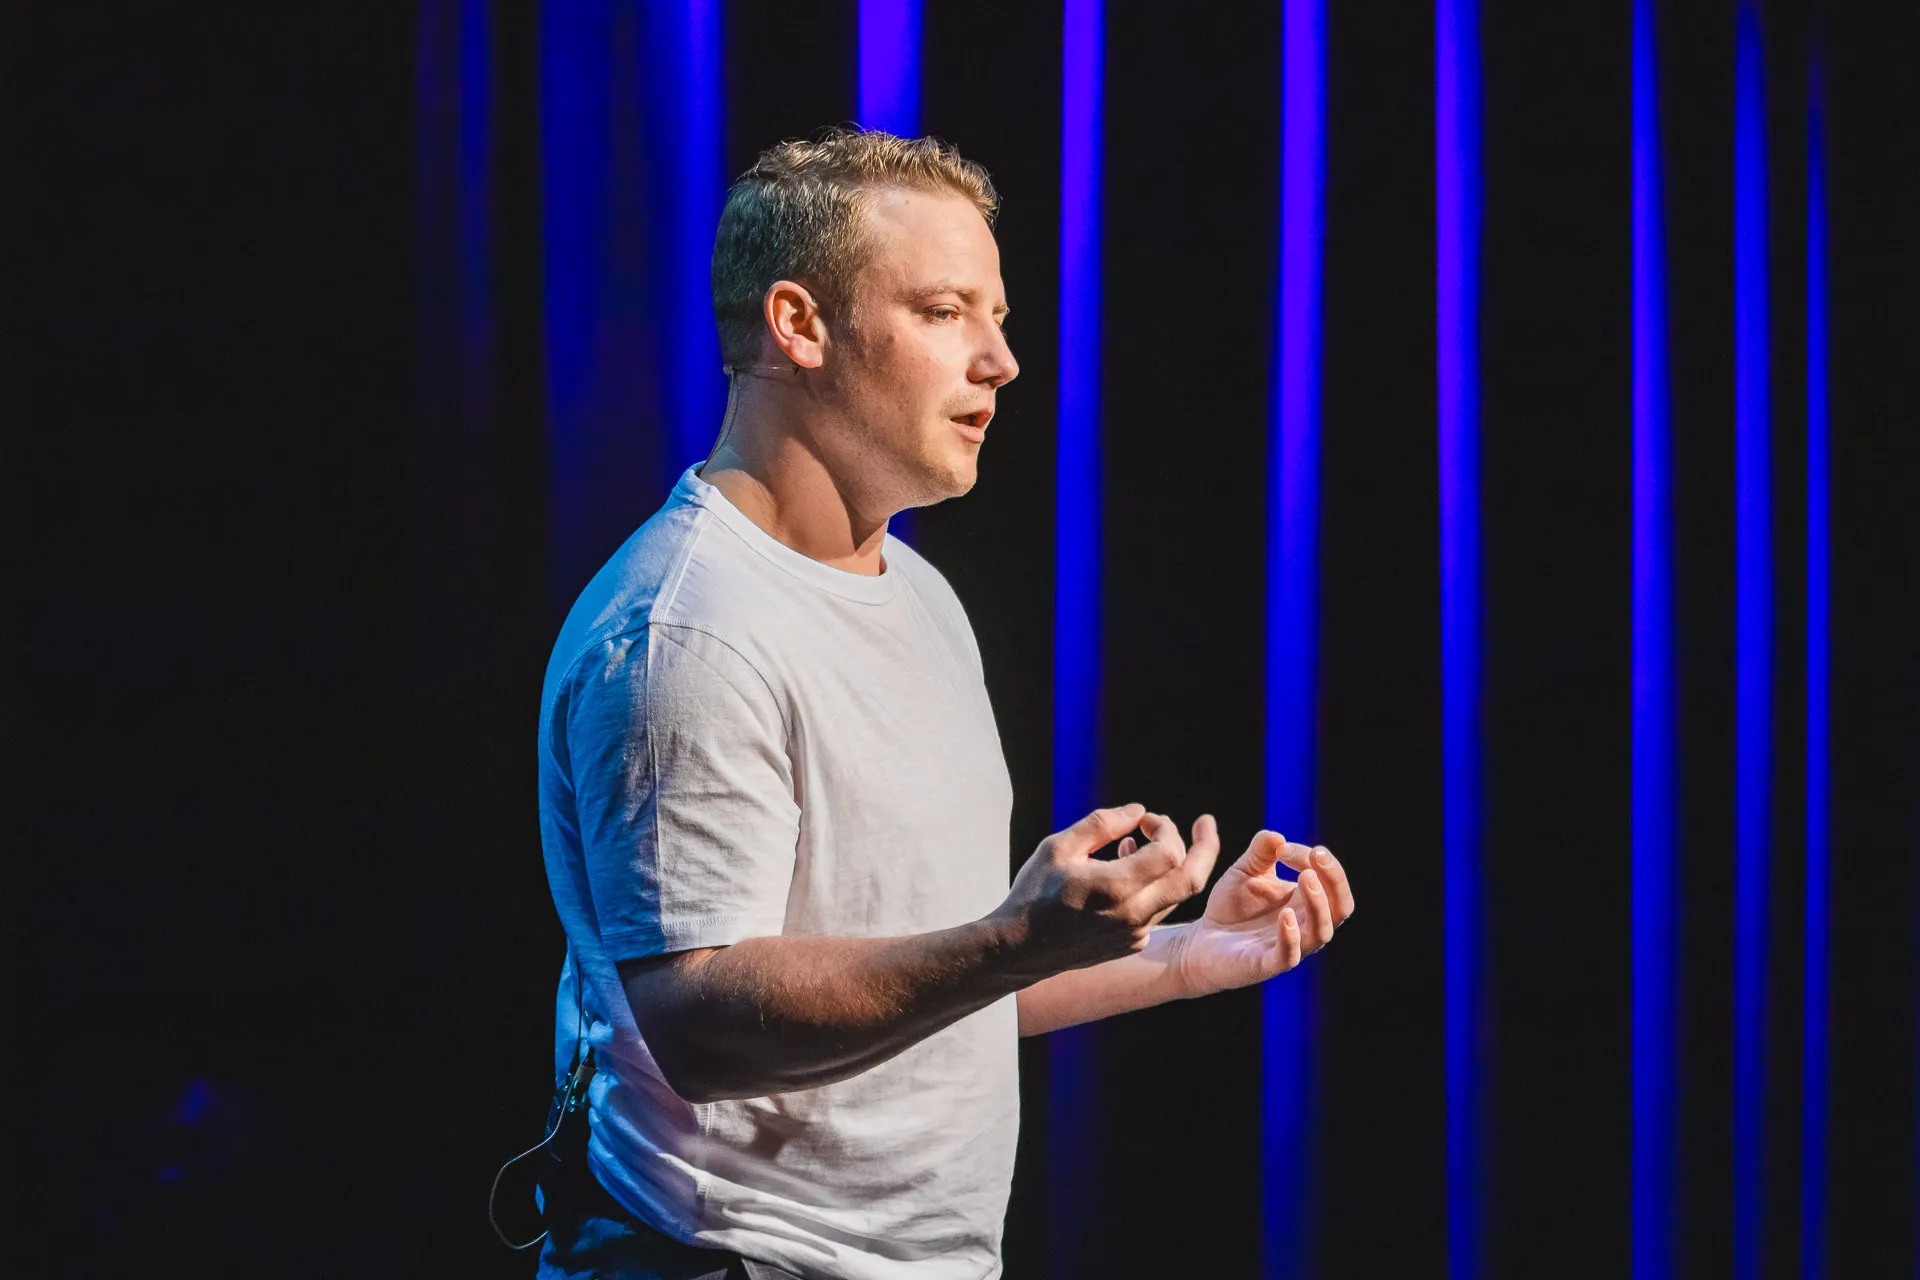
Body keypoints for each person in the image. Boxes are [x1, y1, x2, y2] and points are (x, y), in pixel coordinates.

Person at [534, 129, 1356, 1280]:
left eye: (998, 316)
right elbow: (703, 1026)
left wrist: (1183, 952)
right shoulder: (688, 632)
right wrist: (1015, 935)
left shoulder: (920, 594)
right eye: (943, 311)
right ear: (798, 324)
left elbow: (925, 980)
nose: (1001, 361)